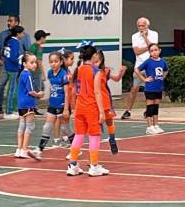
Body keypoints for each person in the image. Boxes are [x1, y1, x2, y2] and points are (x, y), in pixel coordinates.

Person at [66, 43, 109, 177]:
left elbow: (73, 89)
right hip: (91, 107)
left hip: (80, 107)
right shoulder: (95, 71)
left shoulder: (78, 69)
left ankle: (72, 165)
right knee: (94, 136)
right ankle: (94, 166)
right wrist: (102, 112)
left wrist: (73, 105)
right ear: (94, 55)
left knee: (79, 135)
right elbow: (97, 93)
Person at [0, 16, 32, 115]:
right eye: (8, 20)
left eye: (11, 21)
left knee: (15, 87)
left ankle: (16, 107)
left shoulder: (24, 36)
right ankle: (0, 107)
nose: (8, 22)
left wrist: (25, 63)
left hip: (17, 65)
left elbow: (27, 50)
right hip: (8, 64)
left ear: (17, 22)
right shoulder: (4, 35)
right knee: (1, 85)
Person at [122, 17, 159, 120]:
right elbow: (136, 51)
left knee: (150, 89)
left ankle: (148, 110)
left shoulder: (154, 34)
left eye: (143, 25)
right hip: (139, 65)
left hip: (151, 65)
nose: (141, 28)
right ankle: (128, 111)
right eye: (139, 26)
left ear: (147, 25)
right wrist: (148, 47)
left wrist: (145, 38)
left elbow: (153, 49)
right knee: (134, 88)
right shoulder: (134, 36)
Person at [94, 49, 127, 153]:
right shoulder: (88, 71)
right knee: (96, 125)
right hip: (94, 102)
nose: (95, 64)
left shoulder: (105, 71)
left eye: (97, 61)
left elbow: (116, 78)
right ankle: (95, 148)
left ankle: (112, 139)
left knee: (109, 121)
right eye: (93, 61)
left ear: (101, 60)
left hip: (105, 100)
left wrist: (121, 72)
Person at [38, 52, 70, 151]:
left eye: (56, 61)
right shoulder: (50, 73)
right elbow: (52, 88)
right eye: (51, 62)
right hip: (52, 104)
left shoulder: (64, 74)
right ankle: (39, 149)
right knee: (47, 127)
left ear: (61, 62)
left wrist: (66, 109)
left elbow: (67, 93)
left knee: (65, 128)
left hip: (62, 104)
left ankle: (75, 148)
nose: (53, 64)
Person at [15, 52, 44, 160]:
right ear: (24, 64)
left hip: (21, 104)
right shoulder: (27, 74)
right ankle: (24, 149)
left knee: (21, 126)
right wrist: (39, 94)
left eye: (35, 62)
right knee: (29, 126)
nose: (34, 64)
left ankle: (19, 149)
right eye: (31, 62)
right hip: (28, 103)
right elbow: (30, 91)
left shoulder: (22, 73)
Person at [135, 43, 168, 135]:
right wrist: (144, 79)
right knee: (150, 107)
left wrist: (163, 77)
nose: (154, 52)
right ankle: (149, 127)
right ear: (149, 53)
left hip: (158, 88)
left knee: (156, 107)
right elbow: (137, 69)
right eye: (152, 51)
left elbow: (166, 70)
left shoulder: (162, 61)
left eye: (155, 50)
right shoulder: (148, 61)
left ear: (159, 50)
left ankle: (156, 125)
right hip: (150, 88)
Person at [2, 26, 26, 119]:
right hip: (13, 68)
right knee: (12, 90)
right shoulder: (15, 42)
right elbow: (13, 57)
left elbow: (5, 54)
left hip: (9, 67)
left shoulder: (9, 41)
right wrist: (20, 61)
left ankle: (14, 110)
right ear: (18, 34)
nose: (23, 35)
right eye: (22, 33)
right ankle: (8, 111)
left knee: (14, 89)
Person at [28, 29, 50, 115]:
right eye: (45, 38)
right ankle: (34, 107)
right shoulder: (39, 47)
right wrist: (43, 74)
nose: (45, 40)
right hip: (36, 71)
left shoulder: (32, 46)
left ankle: (33, 106)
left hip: (31, 70)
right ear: (41, 38)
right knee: (38, 89)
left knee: (39, 88)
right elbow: (39, 61)